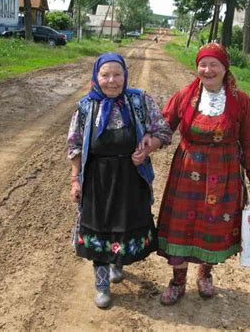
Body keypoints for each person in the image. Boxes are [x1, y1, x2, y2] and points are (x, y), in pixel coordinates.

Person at [156, 43, 250, 305]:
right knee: (180, 226)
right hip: (187, 171)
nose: (208, 69)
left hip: (224, 174)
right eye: (203, 64)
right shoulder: (184, 96)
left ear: (225, 68)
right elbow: (163, 126)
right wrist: (144, 145)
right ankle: (177, 281)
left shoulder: (240, 101)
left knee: (213, 224)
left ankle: (205, 274)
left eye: (214, 64)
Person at [67, 52, 172, 309]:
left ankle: (117, 262)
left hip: (131, 177)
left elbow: (164, 130)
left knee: (123, 224)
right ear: (96, 76)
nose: (111, 81)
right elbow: (75, 145)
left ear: (126, 75)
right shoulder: (86, 107)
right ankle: (102, 284)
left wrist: (149, 147)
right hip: (97, 179)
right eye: (105, 75)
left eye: (117, 74)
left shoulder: (139, 100)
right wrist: (75, 180)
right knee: (99, 227)